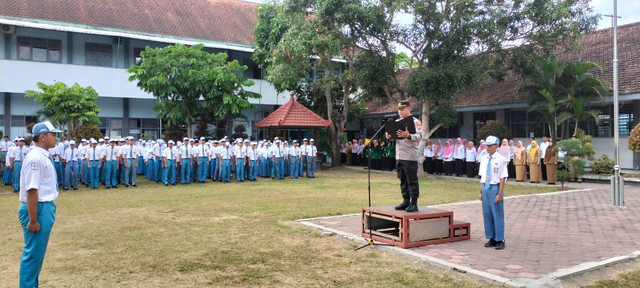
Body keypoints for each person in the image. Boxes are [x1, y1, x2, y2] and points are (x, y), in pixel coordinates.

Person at [18, 120, 62, 287]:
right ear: (43, 137)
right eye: (53, 135)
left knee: (36, 255)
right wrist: (33, 219)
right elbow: (32, 190)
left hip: (44, 207)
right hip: (38, 208)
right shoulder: (36, 158)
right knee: (33, 255)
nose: (56, 138)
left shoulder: (42, 156)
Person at [386, 100, 422, 212]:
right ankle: (405, 200)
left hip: (410, 156)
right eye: (399, 109)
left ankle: (414, 203)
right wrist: (389, 136)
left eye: (403, 109)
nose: (400, 111)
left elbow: (420, 136)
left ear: (409, 109)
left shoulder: (416, 122)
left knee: (411, 180)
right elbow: (394, 137)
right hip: (399, 155)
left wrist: (408, 135)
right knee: (402, 179)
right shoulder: (397, 122)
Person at [478, 135, 508, 250]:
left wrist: (500, 193)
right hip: (485, 186)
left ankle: (500, 239)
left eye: (490, 146)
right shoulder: (484, 158)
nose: (488, 148)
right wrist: (480, 191)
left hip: (495, 187)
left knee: (497, 214)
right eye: (487, 145)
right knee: (487, 214)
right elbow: (482, 176)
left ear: (496, 146)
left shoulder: (500, 159)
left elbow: (502, 177)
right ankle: (491, 237)